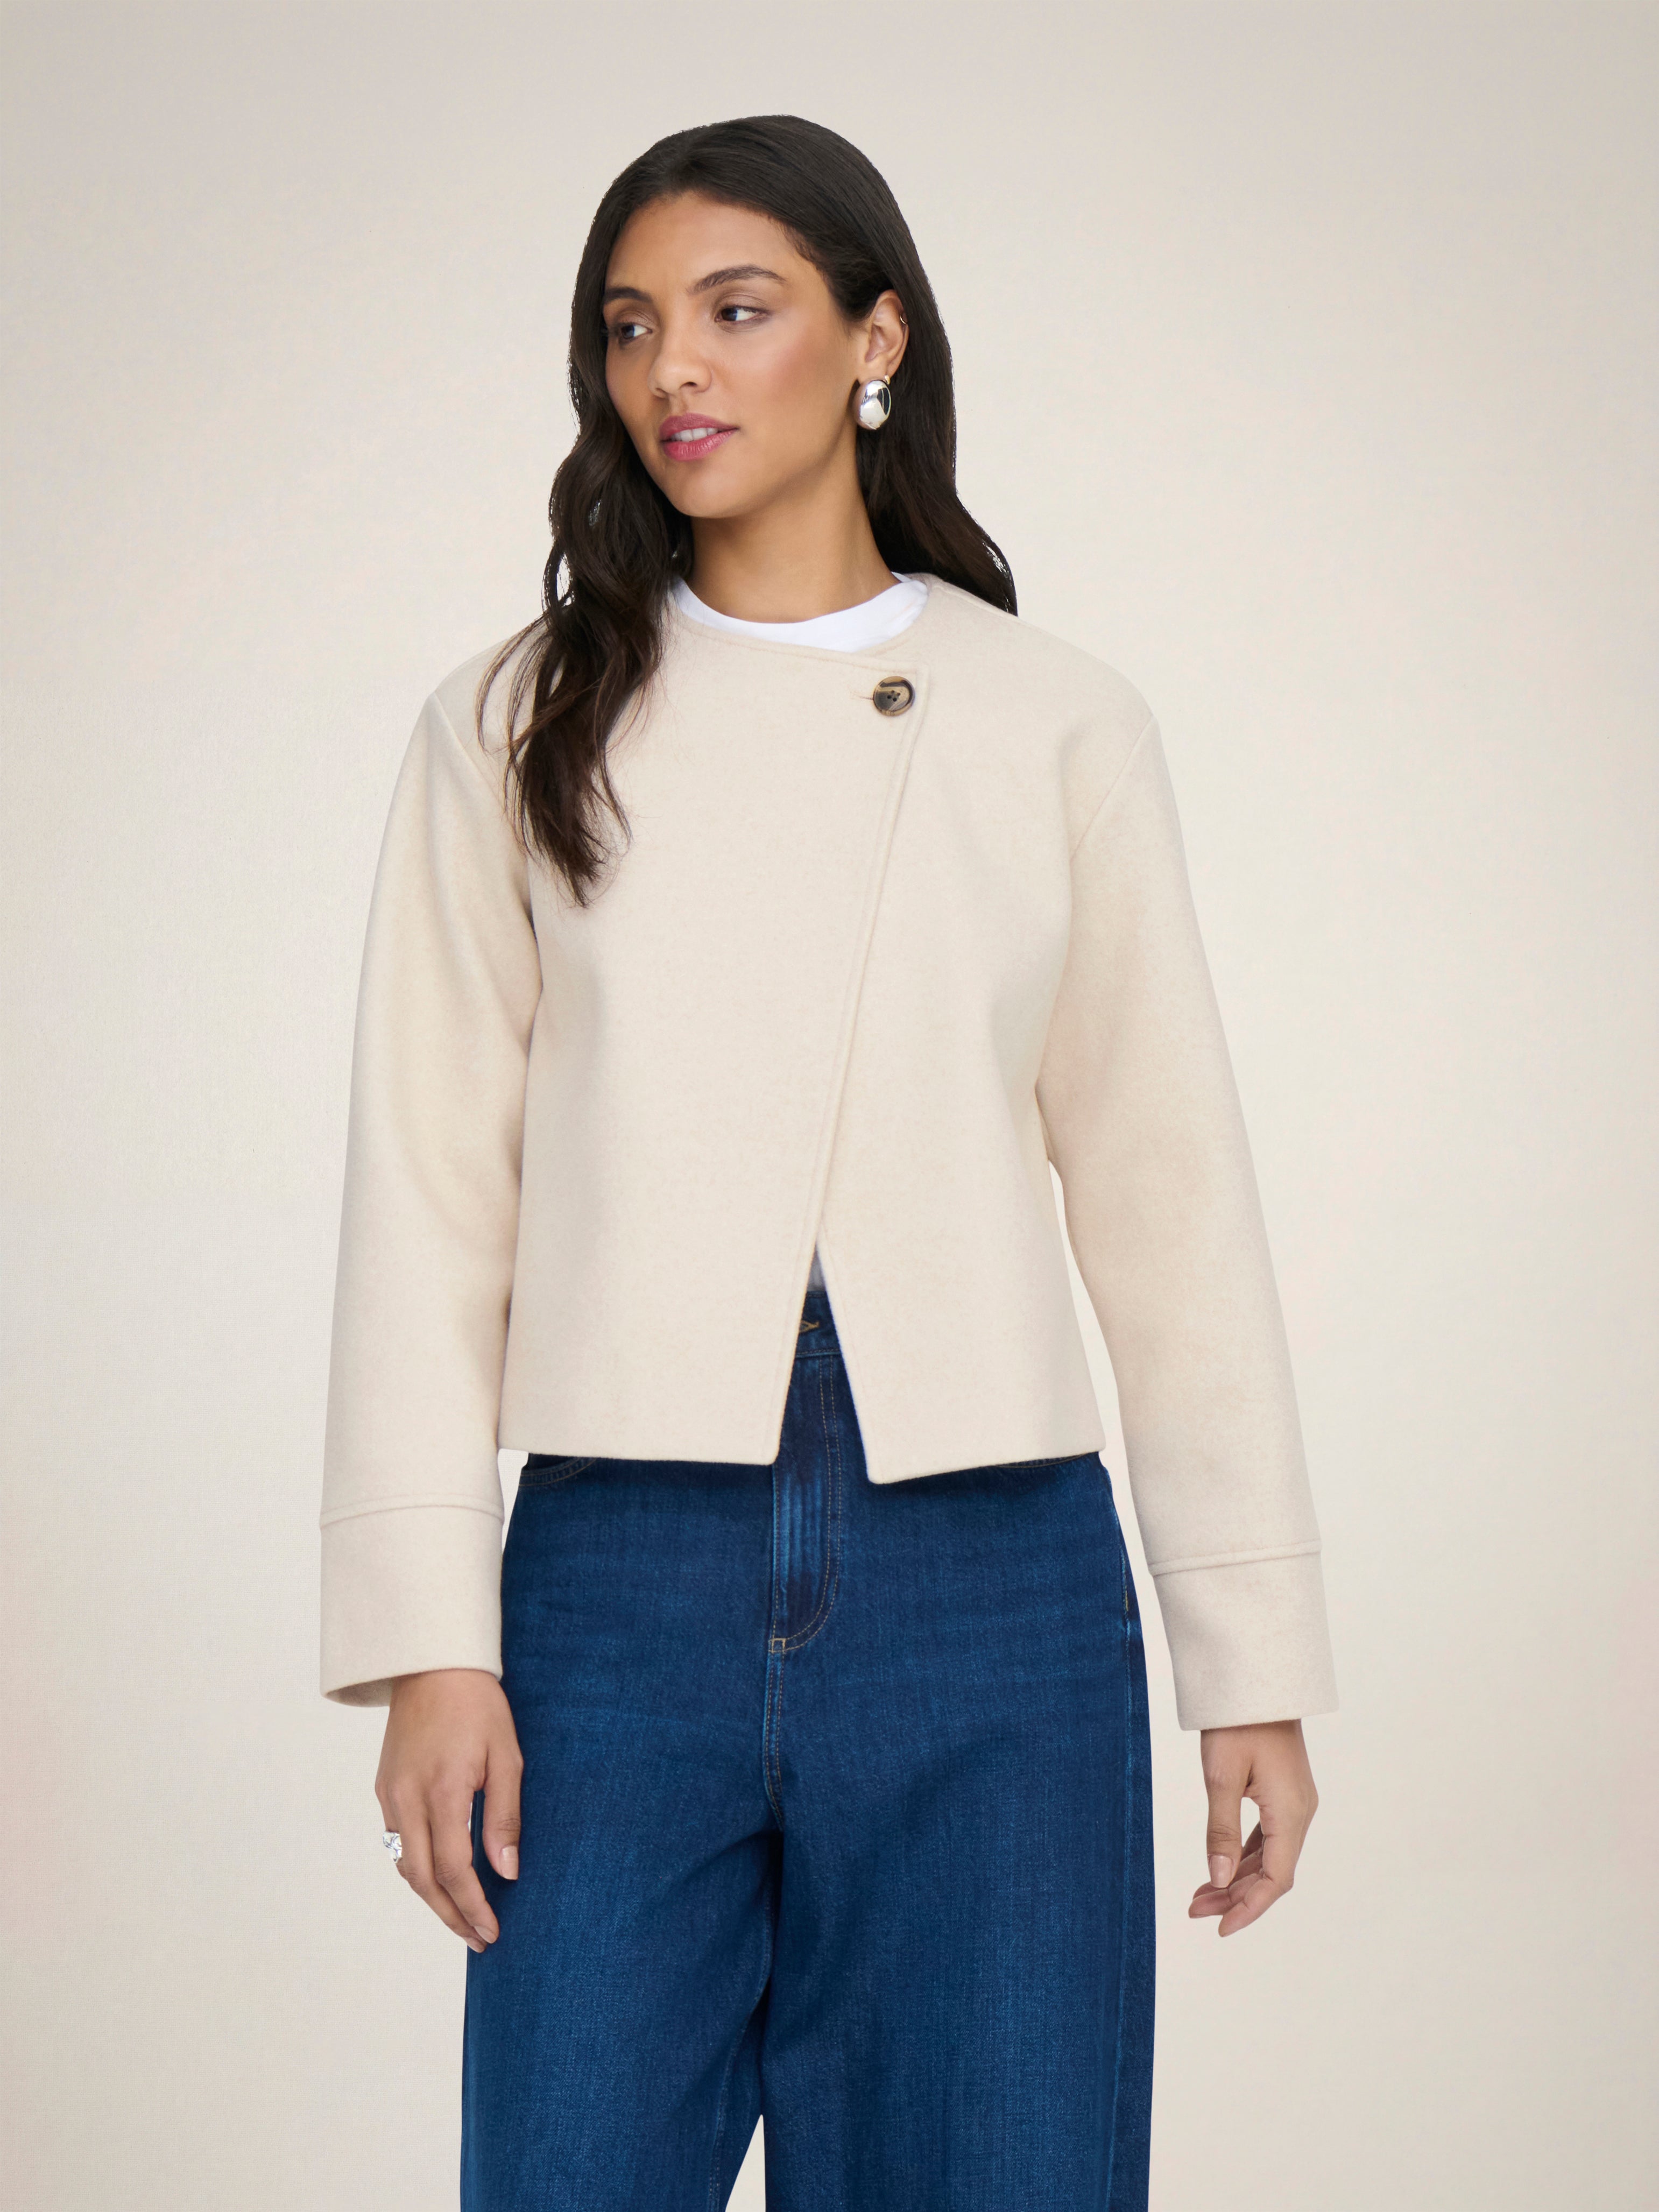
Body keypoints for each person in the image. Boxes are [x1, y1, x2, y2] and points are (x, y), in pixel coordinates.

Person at [318, 114, 1337, 2210]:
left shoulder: (1051, 720)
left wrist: (1250, 1665)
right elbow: (428, 1198)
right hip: (614, 1568)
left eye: (736, 309)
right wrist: (433, 1635)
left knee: (1005, 2168)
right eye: (630, 327)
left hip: (989, 1565)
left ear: (876, 340)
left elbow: (1169, 1206)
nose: (672, 369)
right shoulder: (512, 724)